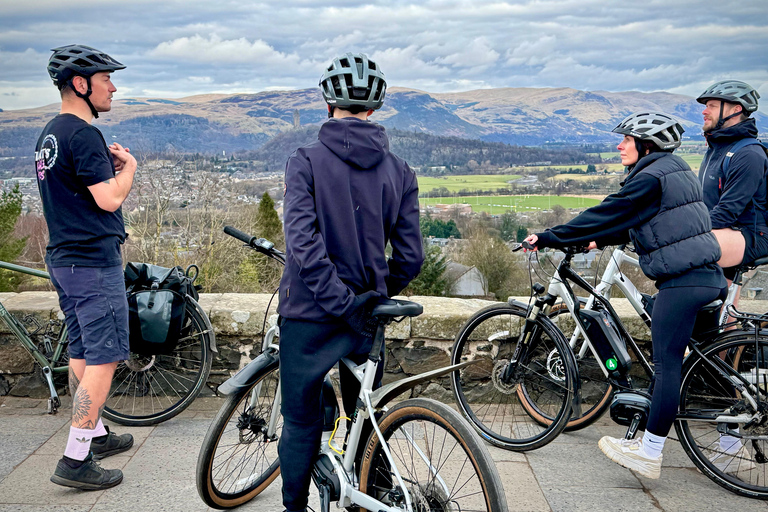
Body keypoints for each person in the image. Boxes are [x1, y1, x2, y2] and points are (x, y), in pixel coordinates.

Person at [524, 111, 728, 479]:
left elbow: (610, 212)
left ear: (646, 145)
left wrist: (552, 235)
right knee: (710, 368)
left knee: (667, 368)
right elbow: (653, 222)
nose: (619, 145)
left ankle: (649, 453)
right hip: (709, 277)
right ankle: (730, 442)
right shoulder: (676, 169)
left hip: (682, 284)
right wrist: (598, 240)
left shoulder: (648, 177)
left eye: (627, 140)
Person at [277, 52, 424, 512]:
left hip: (309, 313)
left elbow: (302, 245)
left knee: (301, 421)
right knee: (366, 417)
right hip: (367, 316)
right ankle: (368, 497)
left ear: (327, 104)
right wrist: (373, 294)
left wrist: (338, 300)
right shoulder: (400, 171)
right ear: (374, 109)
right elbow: (412, 257)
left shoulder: (304, 162)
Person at [36, 44, 137, 490]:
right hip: (92, 262)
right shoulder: (83, 135)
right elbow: (109, 198)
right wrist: (129, 168)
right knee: (104, 358)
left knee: (81, 352)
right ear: (81, 84)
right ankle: (76, 458)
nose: (113, 86)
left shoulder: (50, 135)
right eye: (105, 79)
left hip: (63, 259)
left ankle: (93, 434)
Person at [696, 80, 768, 307]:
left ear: (736, 109)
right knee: (721, 317)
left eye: (713, 105)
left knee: (688, 248)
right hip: (724, 233)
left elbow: (727, 212)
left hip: (752, 235)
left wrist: (685, 228)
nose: (704, 111)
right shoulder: (716, 149)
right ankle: (728, 335)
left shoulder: (748, 154)